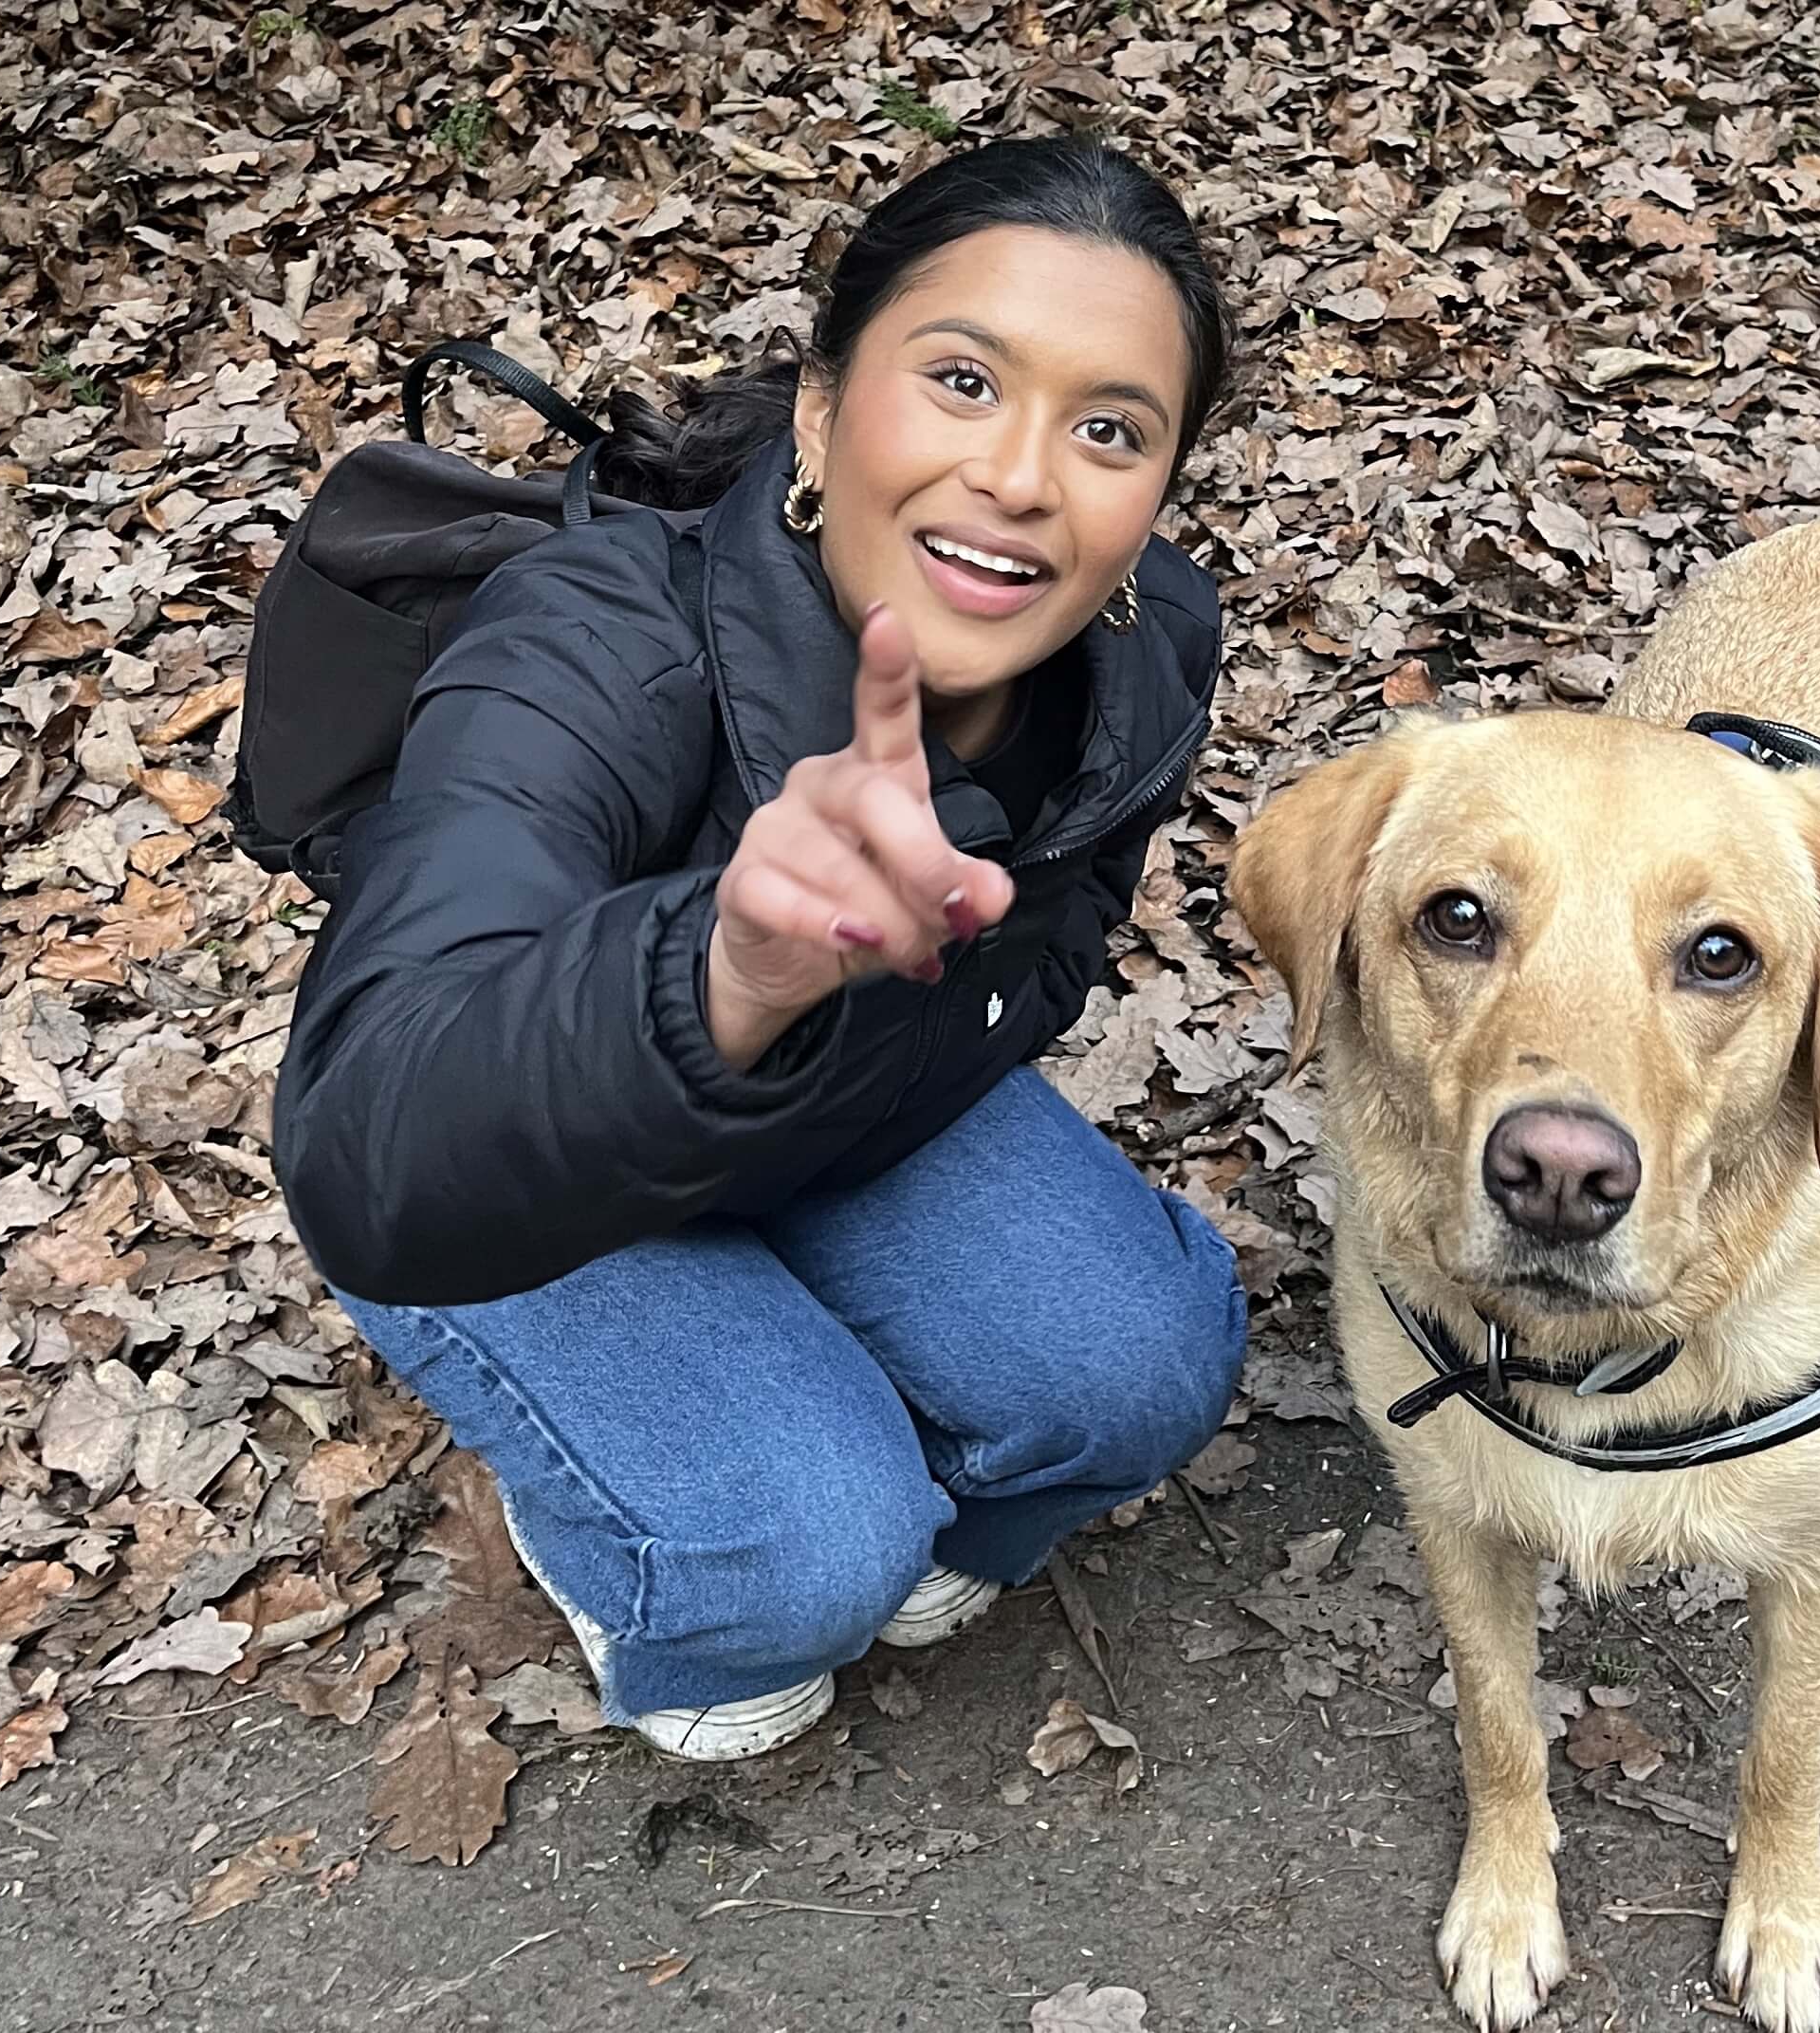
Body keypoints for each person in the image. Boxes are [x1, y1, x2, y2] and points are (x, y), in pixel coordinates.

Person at [274, 139, 1245, 1760]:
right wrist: (726, 979)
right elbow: (373, 1152)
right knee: (801, 1565)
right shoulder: (589, 647)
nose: (1020, 476)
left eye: (1107, 429)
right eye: (959, 379)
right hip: (534, 1154)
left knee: (1143, 1374)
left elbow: (1051, 964)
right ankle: (646, 1555)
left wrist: (832, 1045)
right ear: (818, 408)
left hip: (849, 1107)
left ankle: (797, 1402)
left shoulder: (1143, 653)